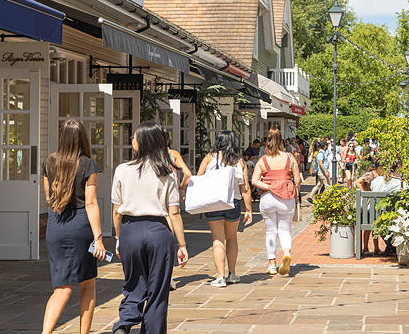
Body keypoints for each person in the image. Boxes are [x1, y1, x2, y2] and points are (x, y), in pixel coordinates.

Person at [111, 122, 188, 334]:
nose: (131, 141)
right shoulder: (167, 172)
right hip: (158, 231)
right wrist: (182, 244)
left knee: (133, 284)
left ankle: (124, 324)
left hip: (130, 229)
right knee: (158, 290)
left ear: (143, 142)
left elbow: (117, 210)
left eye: (134, 137)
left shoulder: (122, 170)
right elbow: (174, 212)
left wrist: (119, 237)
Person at [40, 119, 106, 334]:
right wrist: (98, 238)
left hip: (56, 225)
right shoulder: (88, 164)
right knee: (87, 285)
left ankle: (45, 332)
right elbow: (91, 203)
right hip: (80, 226)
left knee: (60, 288)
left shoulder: (49, 162)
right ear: (83, 138)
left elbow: (49, 199)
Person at [196, 130, 253, 287]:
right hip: (233, 202)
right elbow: (245, 188)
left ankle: (220, 277)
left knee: (217, 238)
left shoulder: (210, 158)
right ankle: (232, 274)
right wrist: (249, 210)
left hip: (214, 202)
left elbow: (198, 178)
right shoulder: (239, 161)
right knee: (232, 237)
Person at [252, 127, 301, 276]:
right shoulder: (289, 157)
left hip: (268, 198)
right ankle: (286, 253)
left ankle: (272, 265)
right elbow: (297, 179)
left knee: (270, 232)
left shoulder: (263, 160)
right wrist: (295, 193)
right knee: (285, 230)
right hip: (286, 198)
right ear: (281, 142)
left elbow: (254, 181)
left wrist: (269, 186)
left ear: (267, 141)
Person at [303, 139, 331, 203]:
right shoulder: (321, 153)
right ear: (325, 146)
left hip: (321, 172)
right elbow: (320, 163)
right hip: (322, 172)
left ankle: (310, 198)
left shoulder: (322, 153)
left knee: (318, 184)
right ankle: (332, 199)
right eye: (327, 146)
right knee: (328, 185)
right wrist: (325, 171)